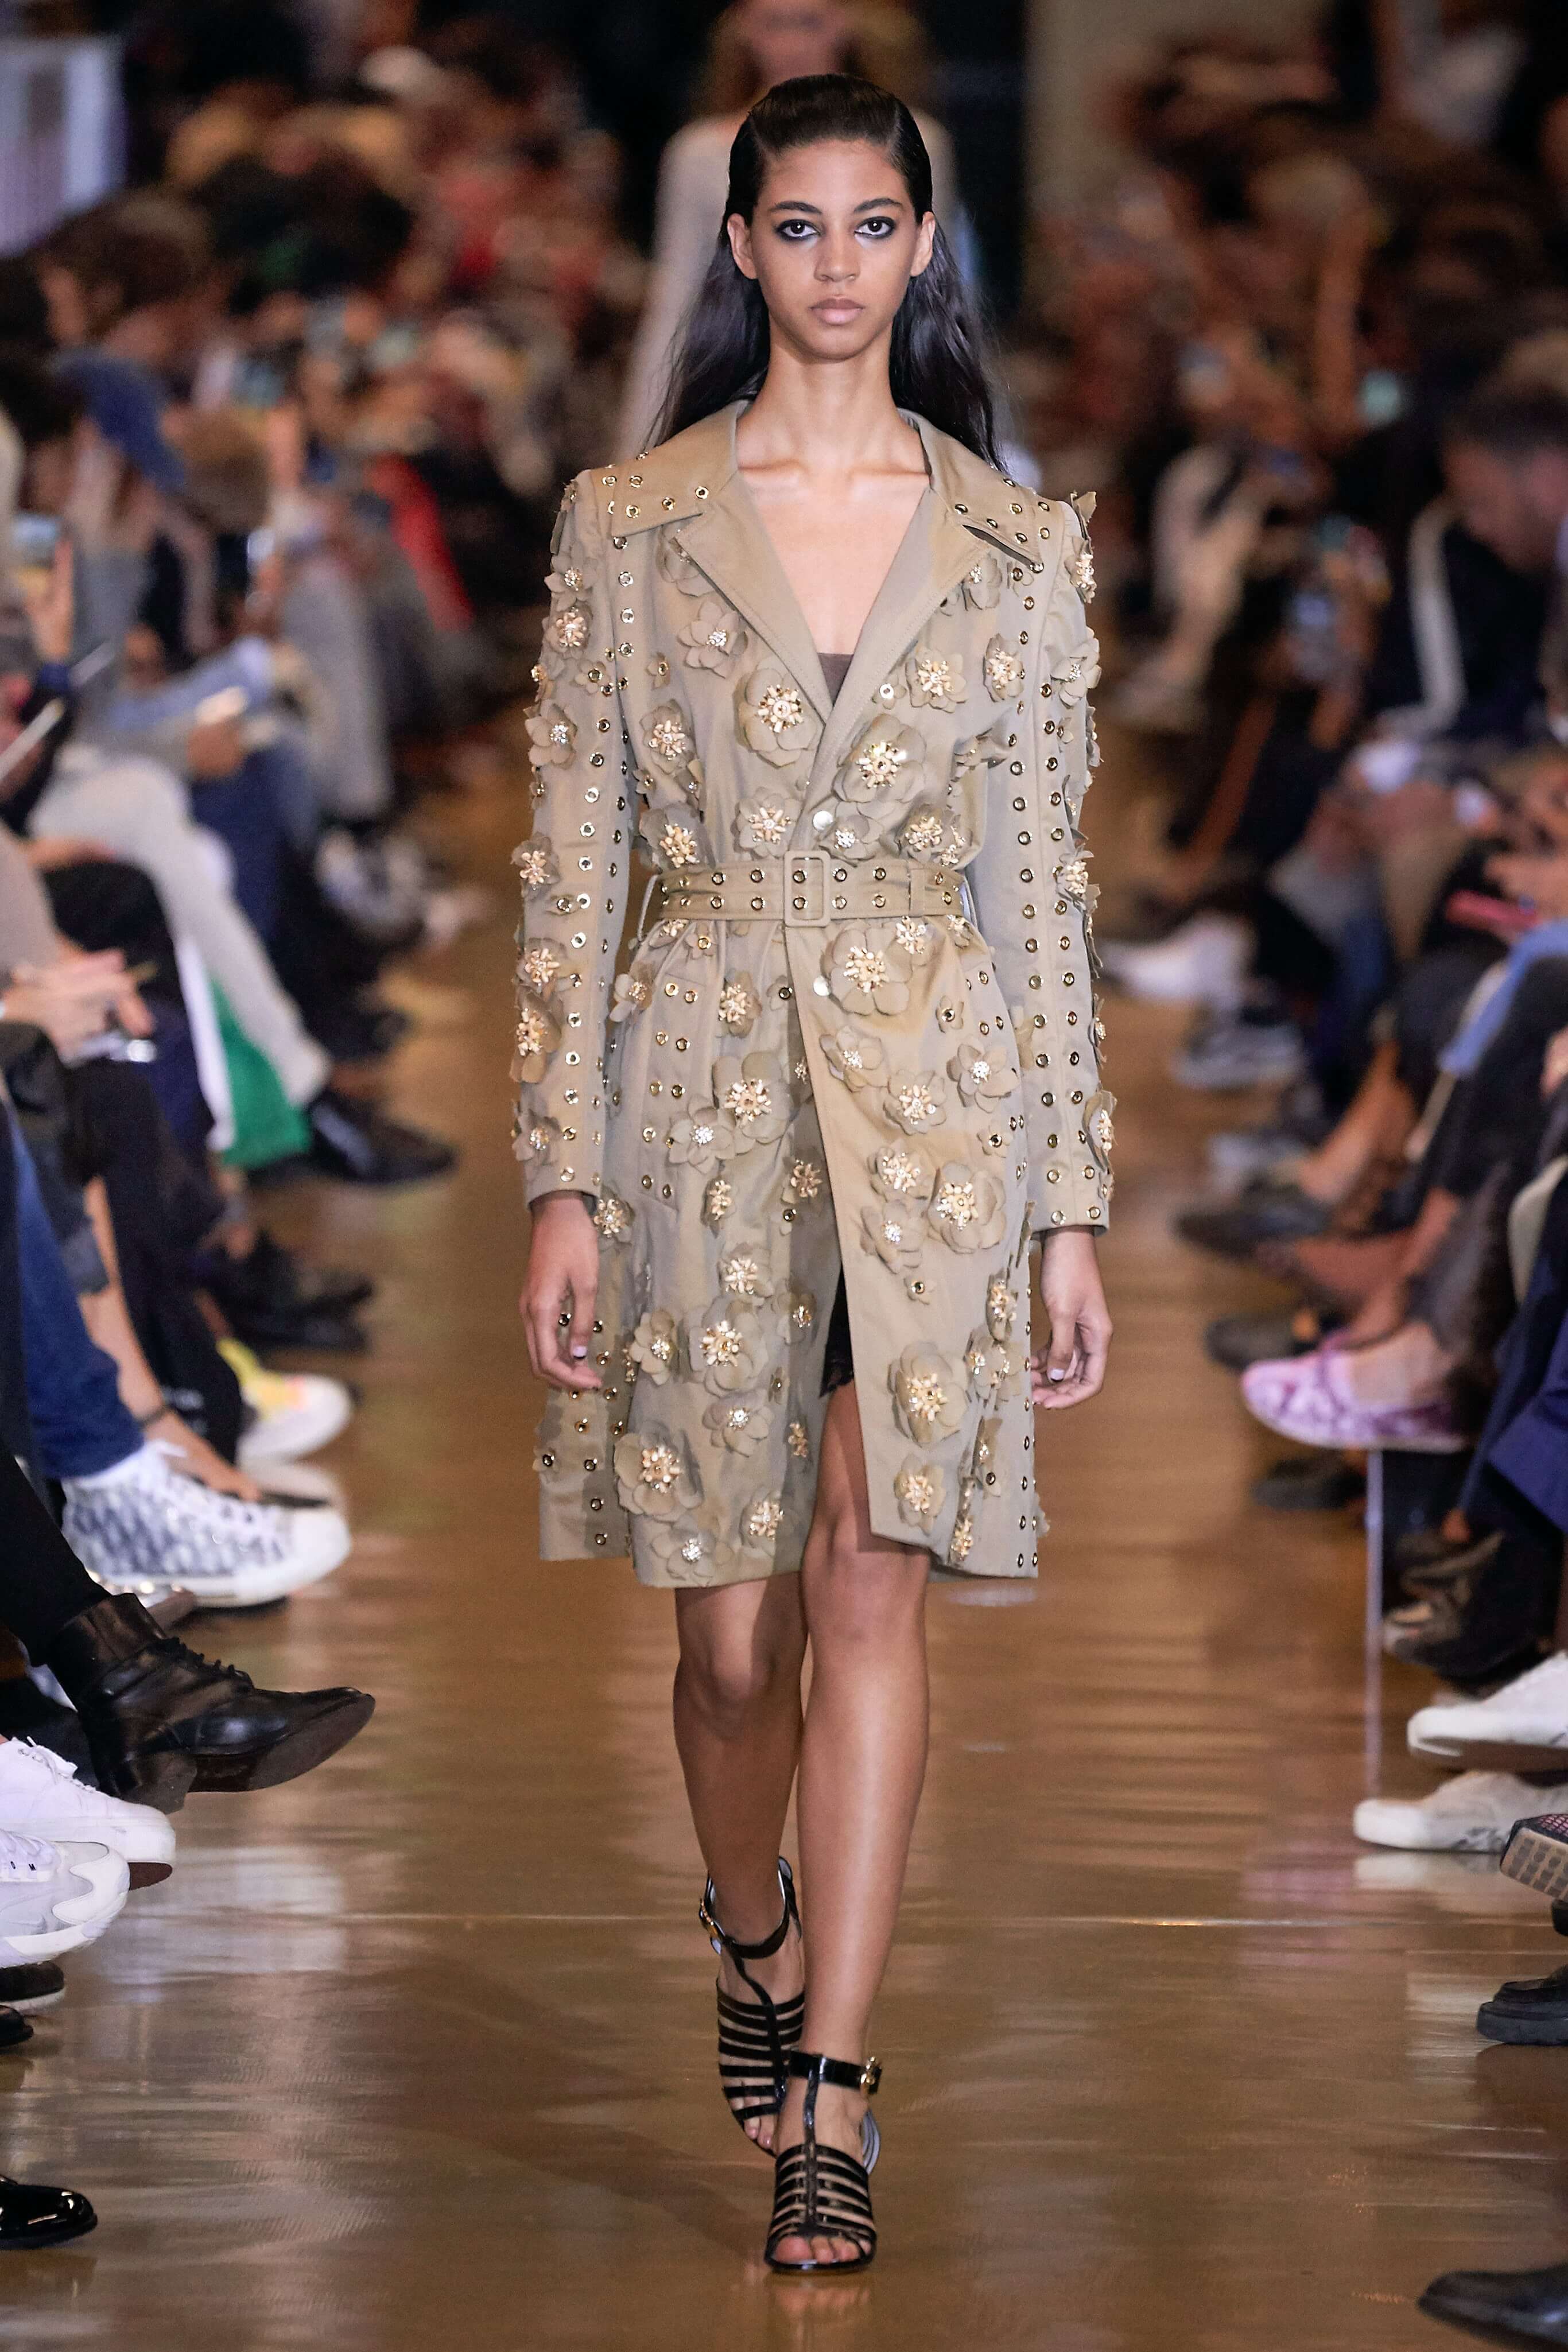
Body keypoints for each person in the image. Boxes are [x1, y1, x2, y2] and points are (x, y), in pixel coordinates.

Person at [517, 73, 1111, 2274]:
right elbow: (569, 878)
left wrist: (1068, 1207)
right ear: (741, 244)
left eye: (876, 223)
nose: (839, 262)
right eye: (800, 224)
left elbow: (1037, 895)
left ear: (924, 244)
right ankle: (745, 1915)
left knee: (871, 1573)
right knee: (725, 1631)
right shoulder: (631, 520)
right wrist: (558, 1175)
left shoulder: (1015, 542)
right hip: (692, 1088)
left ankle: (836, 2081)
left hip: (936, 1104)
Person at [616, 2, 957, 458]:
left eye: (809, 22)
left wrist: (964, 436)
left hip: (883, 394)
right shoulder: (698, 153)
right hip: (740, 390)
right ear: (743, 32)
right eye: (774, 24)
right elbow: (676, 298)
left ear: (845, 24)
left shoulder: (916, 141)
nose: (793, 44)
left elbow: (942, 293)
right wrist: (644, 439)